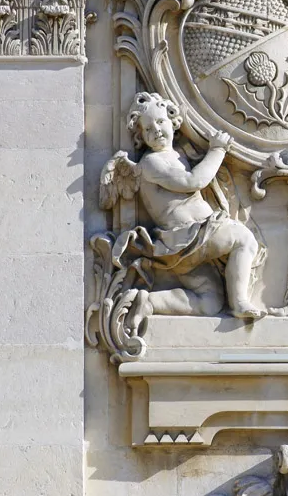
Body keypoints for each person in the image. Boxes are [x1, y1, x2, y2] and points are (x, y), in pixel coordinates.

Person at [105, 92, 265, 332]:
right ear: (141, 137)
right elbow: (192, 181)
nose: (156, 130)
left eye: (160, 122)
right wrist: (218, 150)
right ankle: (240, 301)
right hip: (189, 237)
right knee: (245, 240)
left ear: (173, 121)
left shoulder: (178, 154)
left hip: (185, 250)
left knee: (210, 302)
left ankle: (148, 302)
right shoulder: (151, 163)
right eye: (148, 129)